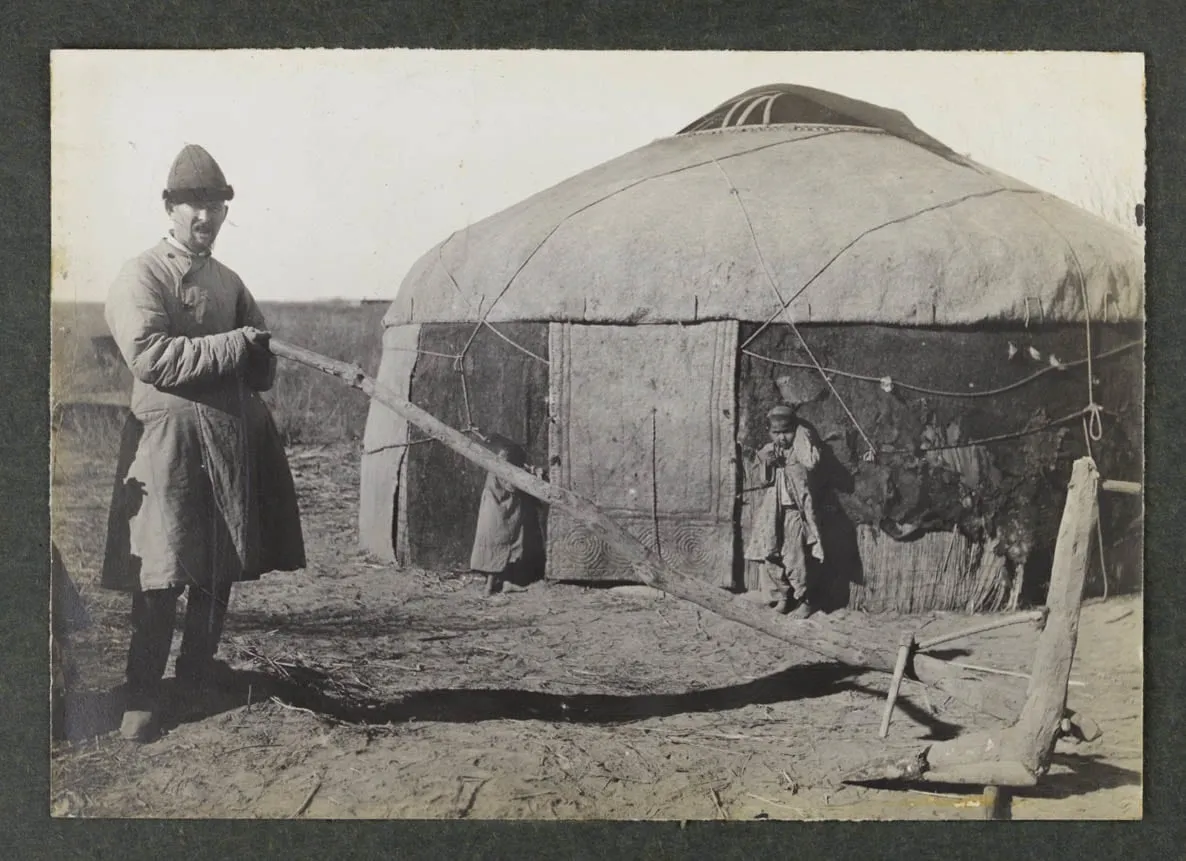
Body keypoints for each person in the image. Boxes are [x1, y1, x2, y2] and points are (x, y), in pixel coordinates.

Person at [101, 144, 306, 742]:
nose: (205, 218)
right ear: (169, 207)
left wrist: (256, 355)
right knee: (161, 569)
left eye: (215, 207)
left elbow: (259, 356)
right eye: (193, 205)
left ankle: (195, 675)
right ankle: (142, 692)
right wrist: (235, 347)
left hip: (226, 445)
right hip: (165, 450)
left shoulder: (229, 281)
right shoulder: (141, 274)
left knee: (220, 564)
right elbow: (149, 355)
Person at [744, 403, 825, 618]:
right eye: (776, 432)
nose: (781, 438)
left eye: (786, 432)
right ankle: (783, 596)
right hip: (773, 512)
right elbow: (763, 481)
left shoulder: (801, 449)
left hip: (794, 512)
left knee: (795, 558)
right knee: (770, 554)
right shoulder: (768, 450)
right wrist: (768, 464)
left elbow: (811, 463)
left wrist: (799, 433)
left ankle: (805, 600)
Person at [468, 432, 545, 596]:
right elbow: (513, 486)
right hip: (499, 512)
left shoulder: (498, 463)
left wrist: (526, 469)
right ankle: (489, 587)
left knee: (508, 545)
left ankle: (507, 583)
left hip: (501, 510)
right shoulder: (502, 468)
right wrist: (533, 475)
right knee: (499, 545)